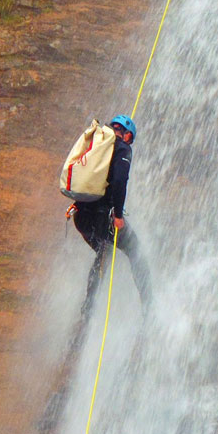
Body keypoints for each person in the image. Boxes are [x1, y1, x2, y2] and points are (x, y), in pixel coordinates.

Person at [69, 114, 151, 320]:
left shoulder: (97, 145)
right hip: (102, 217)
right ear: (127, 134)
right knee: (137, 252)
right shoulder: (122, 148)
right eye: (130, 139)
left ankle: (87, 309)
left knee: (102, 252)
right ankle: (150, 308)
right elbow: (120, 181)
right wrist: (118, 214)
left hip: (81, 216)